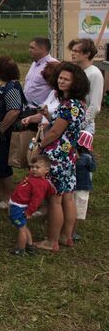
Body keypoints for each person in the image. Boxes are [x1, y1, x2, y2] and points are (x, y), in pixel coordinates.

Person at [23, 62, 88, 251]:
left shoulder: (68, 105)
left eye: (67, 79)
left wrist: (39, 146)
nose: (61, 81)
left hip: (57, 156)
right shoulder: (79, 103)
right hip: (69, 155)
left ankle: (51, 241)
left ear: (76, 82)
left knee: (55, 200)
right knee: (68, 197)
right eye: (60, 77)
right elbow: (65, 126)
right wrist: (50, 117)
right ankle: (66, 236)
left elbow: (55, 132)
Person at [68, 38, 101, 238]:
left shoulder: (95, 74)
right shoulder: (77, 71)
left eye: (77, 51)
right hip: (73, 123)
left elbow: (94, 105)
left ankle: (76, 221)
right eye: (72, 50)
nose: (73, 53)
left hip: (83, 126)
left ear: (87, 54)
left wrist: (79, 124)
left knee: (81, 168)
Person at [0, 56, 25, 210]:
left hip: (5, 134)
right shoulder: (5, 85)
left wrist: (1, 129)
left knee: (4, 165)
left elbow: (14, 111)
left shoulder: (13, 87)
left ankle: (8, 196)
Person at [8, 155, 56, 256]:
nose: (34, 169)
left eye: (37, 167)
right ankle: (30, 246)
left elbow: (36, 200)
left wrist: (29, 212)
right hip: (17, 204)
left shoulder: (40, 184)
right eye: (32, 167)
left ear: (46, 170)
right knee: (24, 226)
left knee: (21, 228)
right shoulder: (33, 177)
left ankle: (20, 249)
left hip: (19, 207)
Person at [23, 37, 58, 108]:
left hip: (42, 111)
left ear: (43, 49)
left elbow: (57, 89)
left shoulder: (53, 65)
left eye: (32, 48)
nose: (29, 50)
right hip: (28, 108)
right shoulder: (34, 64)